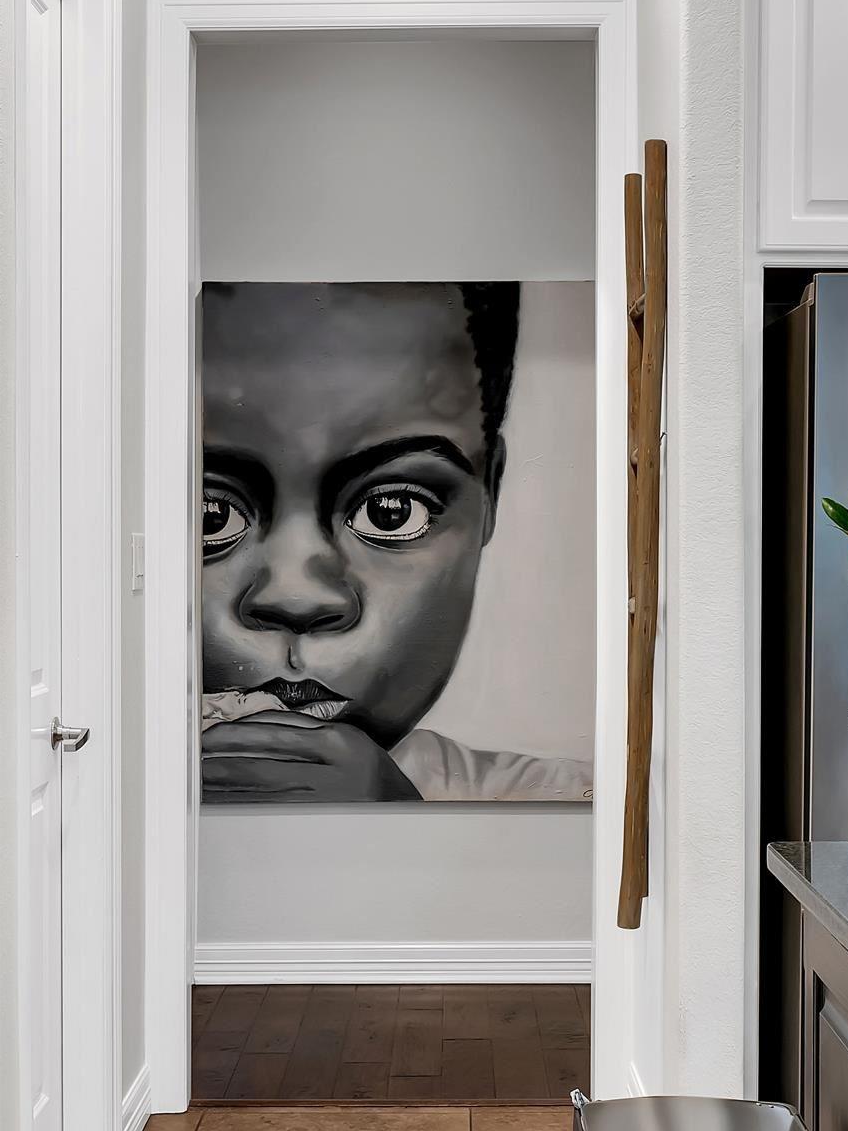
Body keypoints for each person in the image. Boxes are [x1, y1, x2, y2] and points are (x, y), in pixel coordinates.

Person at [199, 280, 591, 803]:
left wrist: (396, 824)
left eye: (391, 513)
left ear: (489, 494)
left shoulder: (571, 810)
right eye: (211, 516)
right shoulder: (86, 791)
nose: (296, 597)